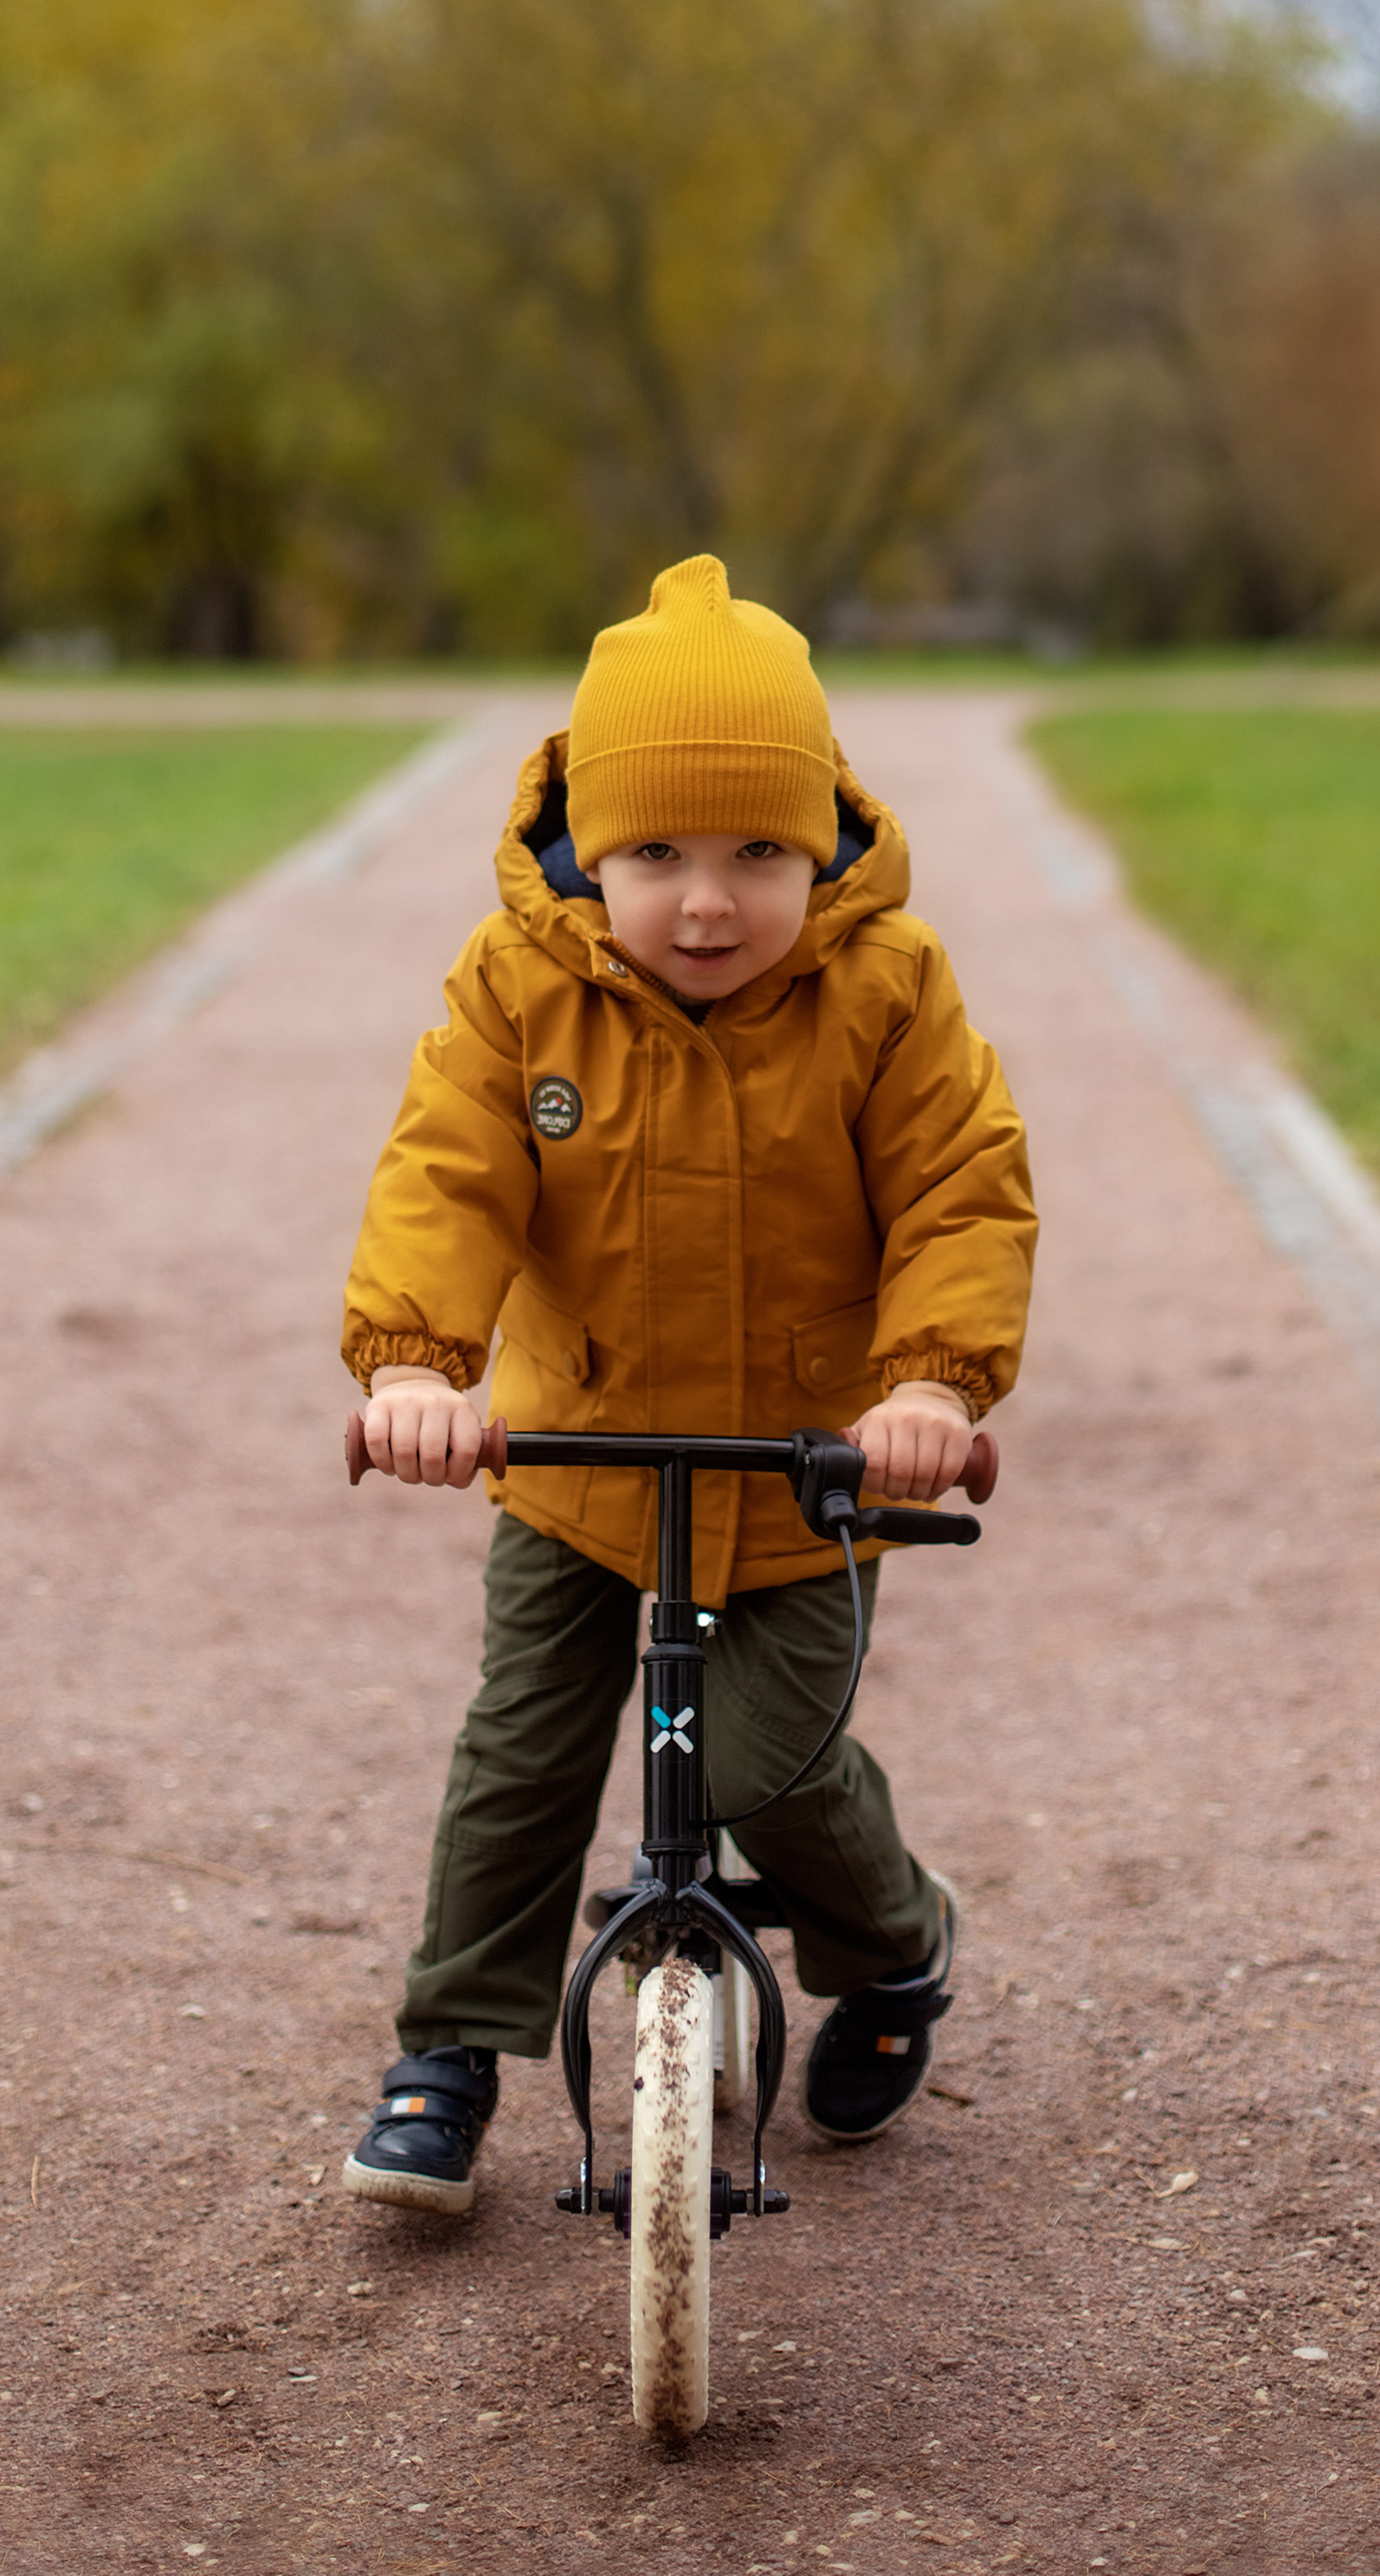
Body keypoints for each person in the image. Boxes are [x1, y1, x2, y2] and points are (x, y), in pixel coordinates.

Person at [338, 553, 1036, 2212]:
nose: (707, 904)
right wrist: (418, 1362)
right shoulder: (521, 984)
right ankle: (450, 2050)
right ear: (590, 847)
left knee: (760, 1764)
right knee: (522, 1755)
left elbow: (961, 1190)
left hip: (805, 1477)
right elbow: (448, 1176)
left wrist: (931, 1389)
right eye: (657, 855)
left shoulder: (886, 988)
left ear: (822, 843)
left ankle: (896, 1941)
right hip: (578, 1458)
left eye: (756, 856)